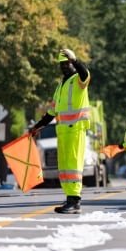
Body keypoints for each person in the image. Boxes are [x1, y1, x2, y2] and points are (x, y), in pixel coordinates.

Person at [29, 48, 91, 214]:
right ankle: (70, 198)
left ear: (72, 63)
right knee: (64, 168)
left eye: (67, 63)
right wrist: (37, 127)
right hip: (63, 132)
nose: (64, 66)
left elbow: (86, 74)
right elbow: (51, 113)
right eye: (61, 64)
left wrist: (75, 59)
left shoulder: (79, 80)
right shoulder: (60, 87)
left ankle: (74, 200)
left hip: (76, 130)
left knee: (73, 165)